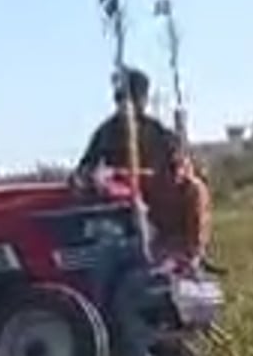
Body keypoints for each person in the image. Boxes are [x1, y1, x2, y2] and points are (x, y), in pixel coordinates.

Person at [74, 66, 212, 264]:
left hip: (158, 205)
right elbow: (84, 170)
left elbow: (181, 165)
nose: (124, 104)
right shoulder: (106, 133)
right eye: (120, 98)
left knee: (195, 189)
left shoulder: (158, 132)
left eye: (132, 98)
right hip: (121, 210)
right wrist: (94, 179)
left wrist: (181, 167)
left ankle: (192, 254)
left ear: (143, 99)